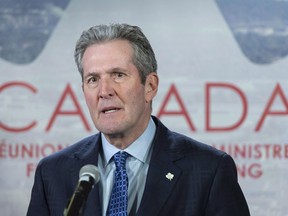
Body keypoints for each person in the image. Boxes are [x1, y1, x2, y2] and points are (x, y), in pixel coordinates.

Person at [27, 23, 250, 216]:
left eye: (118, 75)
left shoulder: (208, 170)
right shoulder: (53, 173)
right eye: (93, 79)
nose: (104, 91)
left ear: (150, 86)